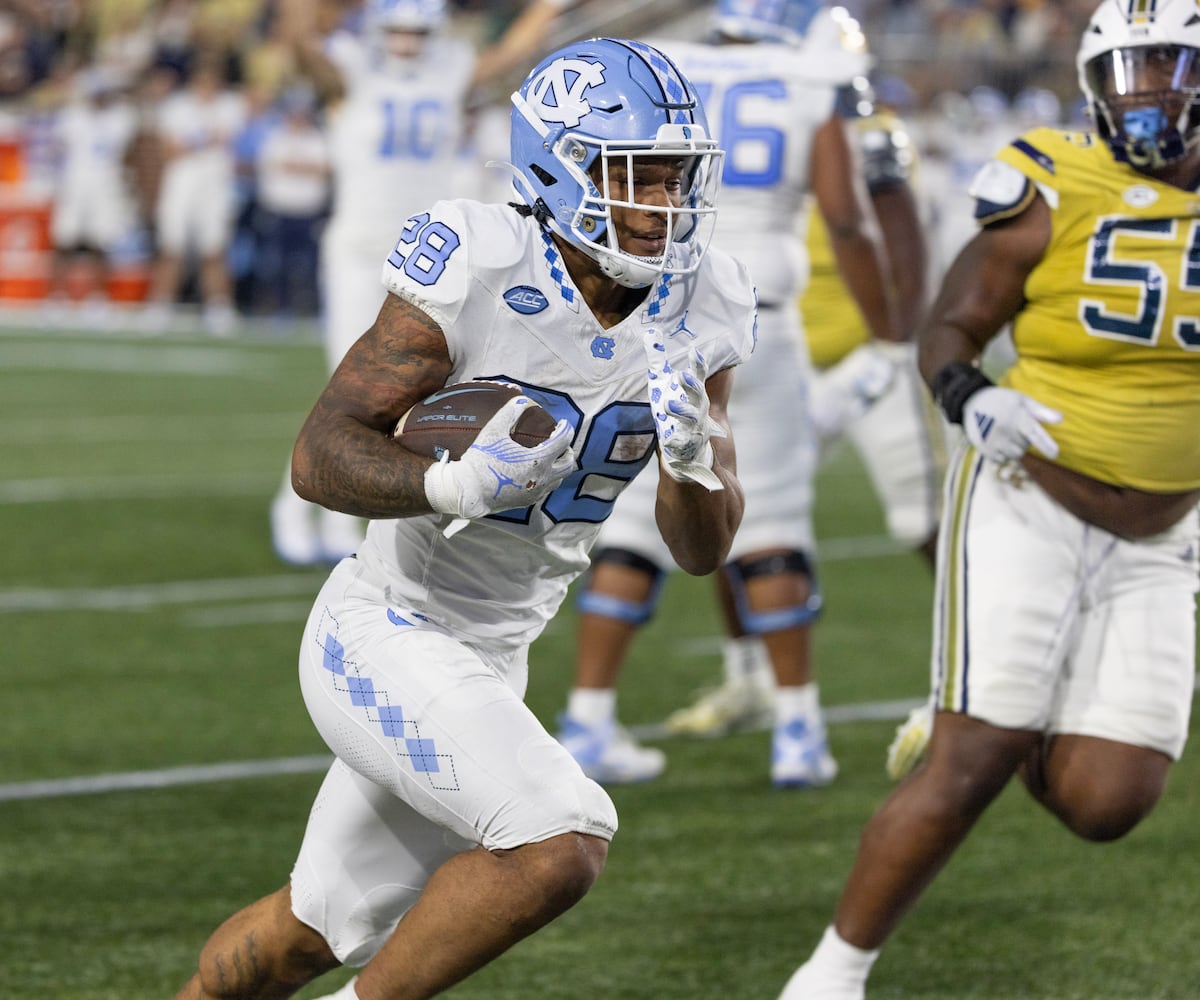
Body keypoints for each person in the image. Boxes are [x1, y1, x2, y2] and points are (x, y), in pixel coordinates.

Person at [173, 36, 754, 1000]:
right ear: (554, 170)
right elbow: (319, 454)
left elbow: (704, 550)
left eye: (676, 178)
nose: (663, 206)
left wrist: (695, 466)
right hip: (382, 625)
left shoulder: (710, 299)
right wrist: (446, 486)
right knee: (560, 840)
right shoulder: (479, 258)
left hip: (495, 654)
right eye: (636, 176)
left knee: (309, 931)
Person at [777, 1, 1200, 995]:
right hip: (1028, 492)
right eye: (1129, 73)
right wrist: (973, 398)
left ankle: (1005, 709)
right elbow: (951, 327)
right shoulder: (1052, 183)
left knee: (1108, 801)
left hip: (1167, 528)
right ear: (1096, 88)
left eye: (1167, 69)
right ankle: (833, 973)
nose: (1147, 94)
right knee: (970, 758)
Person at [554, 0, 907, 787]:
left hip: (653, 309)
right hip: (758, 321)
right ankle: (798, 729)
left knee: (632, 520)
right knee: (774, 514)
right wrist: (890, 334)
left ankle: (588, 717)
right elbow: (847, 220)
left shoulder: (666, 70)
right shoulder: (805, 75)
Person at [268, 0, 573, 567]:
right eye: (398, 29)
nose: (407, 41)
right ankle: (301, 509)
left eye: (416, 29)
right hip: (360, 249)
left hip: (424, 254)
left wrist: (544, 11)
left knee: (407, 390)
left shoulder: (449, 67)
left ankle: (336, 515)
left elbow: (507, 56)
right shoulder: (353, 65)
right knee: (350, 384)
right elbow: (307, 52)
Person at [140, 51, 247, 336]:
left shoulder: (229, 105)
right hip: (182, 185)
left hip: (215, 186)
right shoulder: (178, 107)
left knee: (213, 250)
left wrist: (195, 141)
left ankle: (219, 308)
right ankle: (159, 306)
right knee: (171, 248)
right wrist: (204, 139)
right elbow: (171, 150)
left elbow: (229, 137)